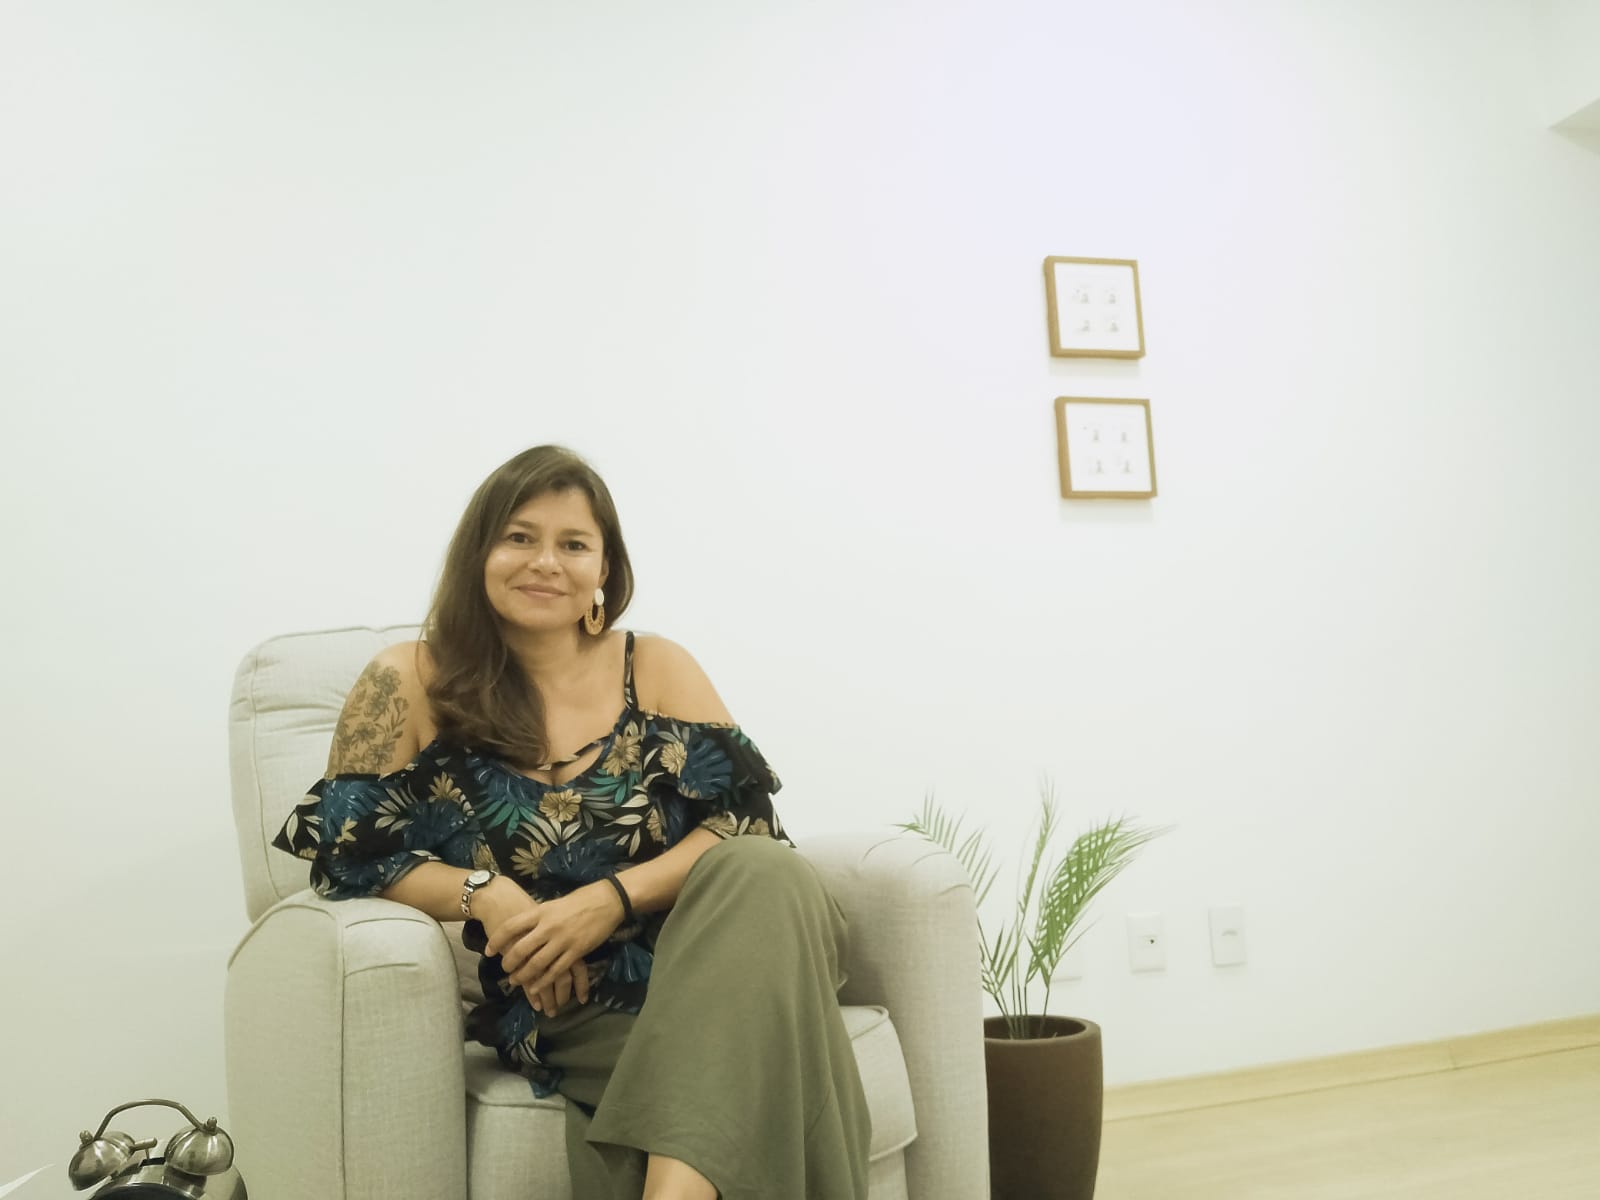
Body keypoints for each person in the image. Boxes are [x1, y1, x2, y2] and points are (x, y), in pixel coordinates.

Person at [272, 445, 871, 1200]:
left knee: (766, 870)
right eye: (520, 537)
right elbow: (347, 854)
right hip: (571, 995)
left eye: (573, 544)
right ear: (479, 553)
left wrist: (607, 902)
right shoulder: (408, 680)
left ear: (605, 572)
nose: (545, 562)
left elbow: (747, 826)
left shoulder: (654, 664)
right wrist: (487, 895)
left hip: (726, 954)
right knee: (764, 1071)